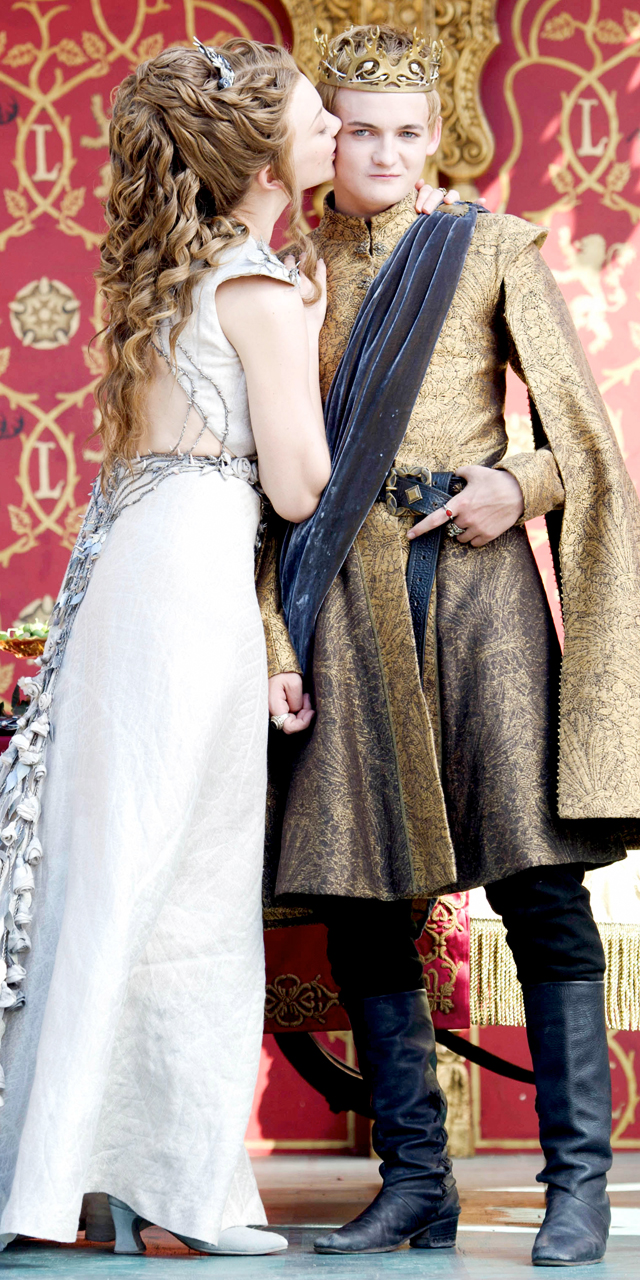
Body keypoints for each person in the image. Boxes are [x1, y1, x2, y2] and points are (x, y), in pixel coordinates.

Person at [260, 24, 640, 1266]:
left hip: (479, 597)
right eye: (361, 132)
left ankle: (575, 1187)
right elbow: (259, 477)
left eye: (407, 134)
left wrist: (515, 485)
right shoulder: (286, 267)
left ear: (436, 138)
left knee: (538, 884)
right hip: (343, 598)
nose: (385, 154)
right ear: (329, 138)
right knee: (364, 895)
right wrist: (271, 634)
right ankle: (414, 1183)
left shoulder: (492, 248)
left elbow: (582, 436)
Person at [0, 37, 338, 1256]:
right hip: (193, 580)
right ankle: (178, 1184)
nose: (332, 130)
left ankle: (75, 1177)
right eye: (315, 117)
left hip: (128, 570)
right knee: (193, 884)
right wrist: (314, 339)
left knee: (111, 869)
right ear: (264, 161)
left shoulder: (173, 271)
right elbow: (300, 485)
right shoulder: (262, 289)